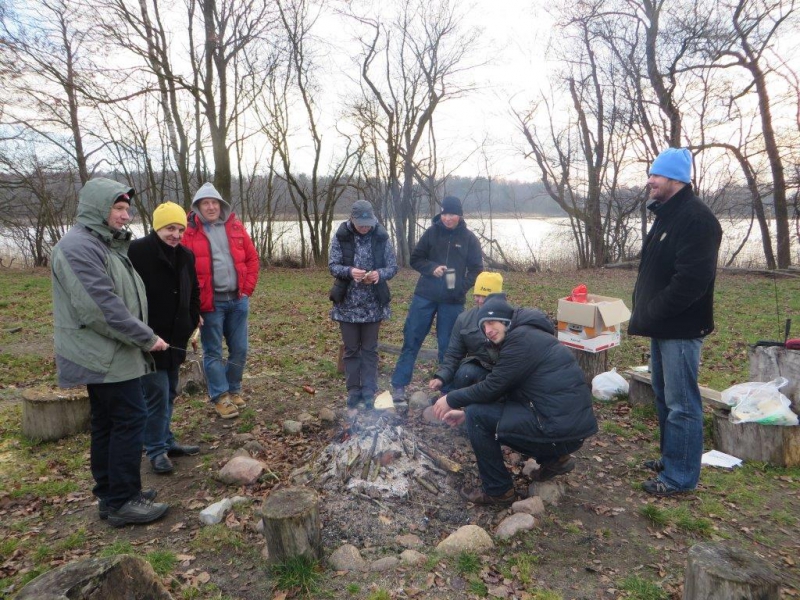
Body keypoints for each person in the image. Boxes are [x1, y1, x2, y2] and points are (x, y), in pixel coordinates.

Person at [51, 178, 169, 527]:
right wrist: (146, 338)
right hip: (102, 356)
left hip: (111, 353)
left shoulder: (101, 244)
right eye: (118, 208)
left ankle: (111, 493)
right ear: (97, 209)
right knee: (130, 420)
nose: (125, 215)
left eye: (126, 208)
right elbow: (101, 309)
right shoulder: (78, 247)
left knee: (108, 423)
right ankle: (122, 501)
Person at [432, 296, 598, 506]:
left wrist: (452, 399)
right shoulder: (529, 334)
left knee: (477, 416)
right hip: (567, 427)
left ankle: (498, 491)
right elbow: (509, 392)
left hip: (559, 429)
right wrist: (464, 414)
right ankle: (555, 458)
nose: (488, 330)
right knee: (474, 413)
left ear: (505, 320)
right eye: (483, 327)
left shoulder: (522, 339)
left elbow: (492, 387)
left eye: (492, 322)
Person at [627, 147, 722, 497]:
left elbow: (690, 283)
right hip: (663, 326)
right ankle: (671, 459)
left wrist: (651, 313)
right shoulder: (667, 215)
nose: (650, 181)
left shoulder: (698, 220)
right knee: (666, 398)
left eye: (656, 175)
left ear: (676, 179)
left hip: (680, 328)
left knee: (683, 404)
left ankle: (681, 478)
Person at [129, 202, 201, 474]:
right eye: (171, 228)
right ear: (157, 226)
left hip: (176, 337)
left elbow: (194, 290)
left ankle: (167, 440)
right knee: (156, 393)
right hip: (148, 338)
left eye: (181, 229)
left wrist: (191, 318)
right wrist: (142, 332)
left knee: (170, 390)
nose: (176, 234)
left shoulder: (185, 255)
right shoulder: (136, 252)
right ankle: (156, 450)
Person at [391, 196, 483, 403]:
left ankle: (446, 391)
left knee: (448, 346)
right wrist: (432, 268)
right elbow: (415, 259)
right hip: (425, 296)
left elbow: (477, 269)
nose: (448, 218)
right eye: (444, 214)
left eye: (452, 214)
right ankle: (399, 385)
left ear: (459, 215)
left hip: (452, 300)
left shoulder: (469, 238)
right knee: (412, 338)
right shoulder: (431, 233)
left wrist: (461, 286)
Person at [182, 182, 260, 420]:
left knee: (240, 349)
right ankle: (220, 396)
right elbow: (184, 272)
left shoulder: (235, 226)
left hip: (237, 300)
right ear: (197, 207)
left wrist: (246, 291)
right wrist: (194, 306)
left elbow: (252, 259)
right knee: (213, 351)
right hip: (210, 303)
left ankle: (234, 389)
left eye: (214, 202)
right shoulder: (188, 232)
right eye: (205, 203)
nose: (211, 207)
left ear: (220, 205)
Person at [329, 200, 398, 409]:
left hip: (373, 304)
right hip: (347, 304)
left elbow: (393, 267)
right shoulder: (341, 236)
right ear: (352, 219)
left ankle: (369, 390)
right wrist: (350, 272)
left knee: (369, 350)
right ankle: (353, 390)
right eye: (361, 224)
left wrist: (378, 274)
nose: (365, 227)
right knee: (351, 350)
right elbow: (333, 266)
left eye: (368, 223)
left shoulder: (381, 236)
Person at [428, 272, 504, 394]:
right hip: (479, 370)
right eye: (476, 295)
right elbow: (453, 354)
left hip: (506, 371)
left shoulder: (511, 319)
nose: (478, 300)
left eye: (484, 296)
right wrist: (441, 377)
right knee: (465, 373)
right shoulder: (464, 320)